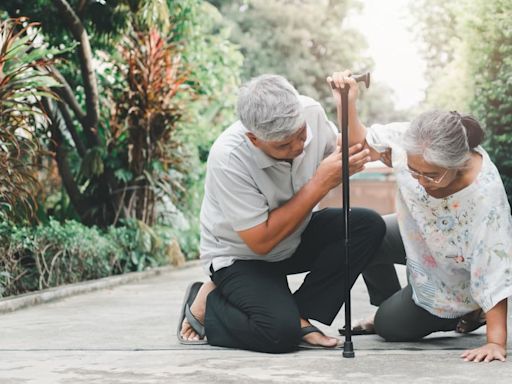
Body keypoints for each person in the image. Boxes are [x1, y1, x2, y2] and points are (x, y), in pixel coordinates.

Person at [177, 74, 386, 353]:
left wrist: (346, 105)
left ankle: (298, 314)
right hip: (243, 256)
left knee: (366, 225)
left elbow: (353, 151)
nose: (298, 148)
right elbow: (261, 242)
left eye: (301, 136)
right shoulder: (228, 158)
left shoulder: (309, 111)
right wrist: (321, 183)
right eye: (283, 146)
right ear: (254, 139)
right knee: (277, 335)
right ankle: (211, 299)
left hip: (294, 237)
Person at [328, 70, 512, 362]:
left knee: (389, 327)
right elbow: (359, 144)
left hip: (454, 278)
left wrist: (496, 343)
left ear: (459, 163)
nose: (421, 181)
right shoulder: (412, 140)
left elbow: (493, 269)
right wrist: (347, 101)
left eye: (432, 176)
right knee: (363, 229)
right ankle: (387, 301)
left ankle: (468, 310)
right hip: (417, 238)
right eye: (414, 171)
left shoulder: (485, 198)